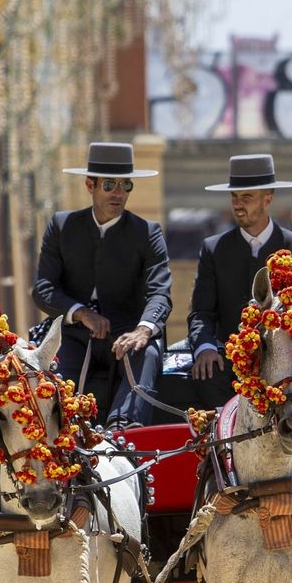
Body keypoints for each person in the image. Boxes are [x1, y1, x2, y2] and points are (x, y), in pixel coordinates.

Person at [34, 142, 172, 427]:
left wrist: (143, 330)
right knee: (47, 373)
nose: (118, 193)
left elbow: (160, 293)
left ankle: (124, 432)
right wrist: (82, 313)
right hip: (72, 334)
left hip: (127, 336)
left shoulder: (148, 232)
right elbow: (44, 289)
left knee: (147, 352)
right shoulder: (62, 226)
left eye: (126, 185)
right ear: (90, 185)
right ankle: (55, 434)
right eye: (109, 185)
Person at [188, 154, 292, 408]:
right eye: (234, 197)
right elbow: (201, 312)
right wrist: (204, 347)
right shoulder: (214, 248)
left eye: (247, 197)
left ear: (267, 199)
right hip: (228, 361)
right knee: (203, 376)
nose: (238, 205)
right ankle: (218, 447)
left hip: (286, 361)